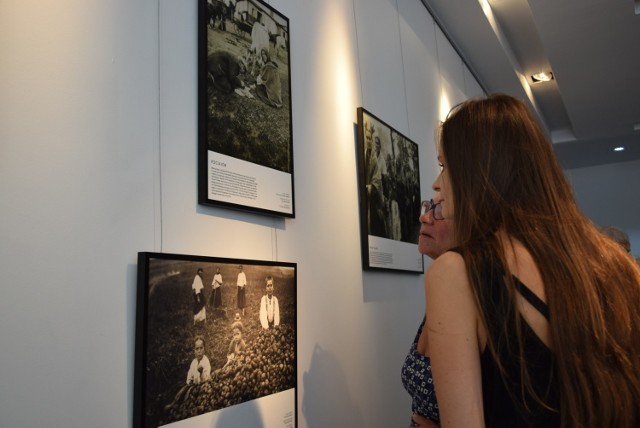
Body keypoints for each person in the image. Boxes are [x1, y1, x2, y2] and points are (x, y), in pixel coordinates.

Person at [423, 94, 640, 427]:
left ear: (480, 172)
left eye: (445, 166)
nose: (438, 184)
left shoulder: (458, 272)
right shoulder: (617, 265)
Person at [402, 199, 455, 428]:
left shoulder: (478, 301)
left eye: (440, 210)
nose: (425, 217)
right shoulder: (441, 292)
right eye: (428, 207)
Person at [165, 335, 211, 410]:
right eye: (197, 349)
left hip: (201, 386)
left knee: (188, 391)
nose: (199, 351)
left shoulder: (206, 361)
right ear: (194, 351)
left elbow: (206, 378)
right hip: (193, 384)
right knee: (181, 386)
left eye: (201, 348)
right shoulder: (194, 362)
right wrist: (190, 381)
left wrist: (201, 372)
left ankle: (179, 404)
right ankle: (174, 402)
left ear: (204, 349)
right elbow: (189, 376)